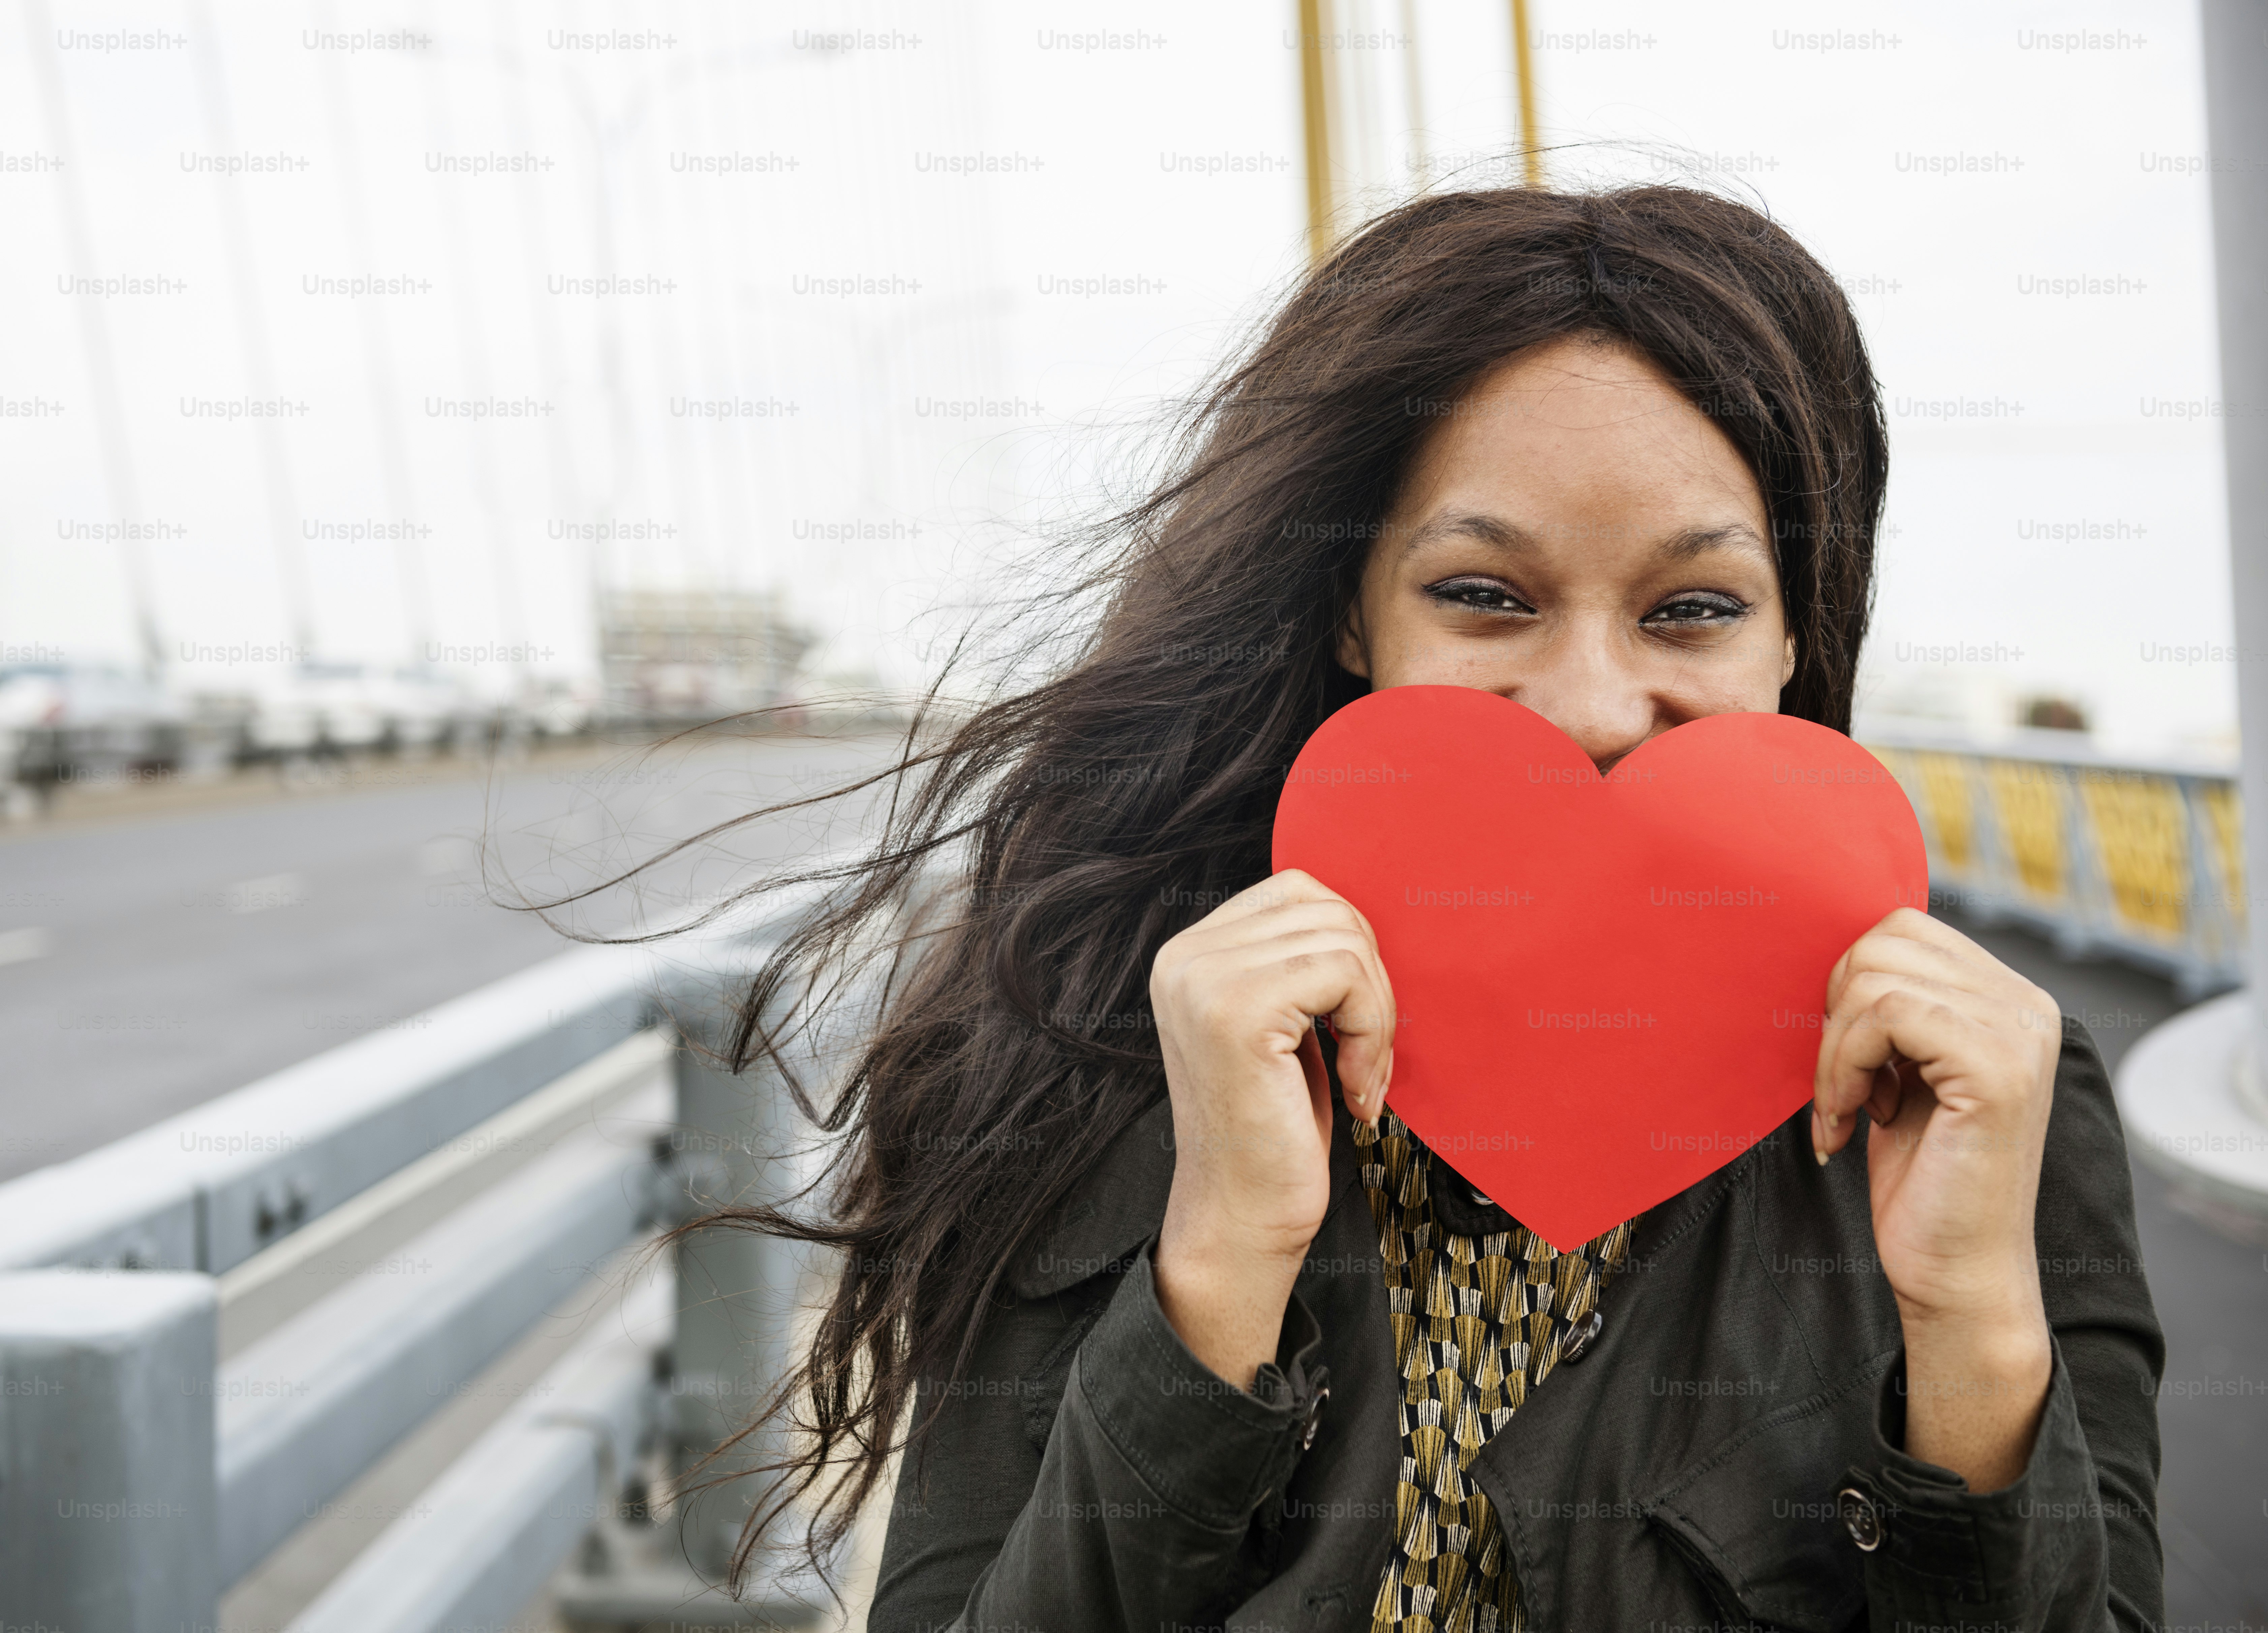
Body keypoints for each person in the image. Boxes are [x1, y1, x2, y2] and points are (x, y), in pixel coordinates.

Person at [704, 184, 2163, 1633]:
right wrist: (1214, 1275)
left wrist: (1970, 1326)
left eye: (1695, 609)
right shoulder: (1108, 1042)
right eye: (1486, 594)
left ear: (1798, 634)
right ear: (1355, 613)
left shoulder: (1984, 1090)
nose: (1594, 704)